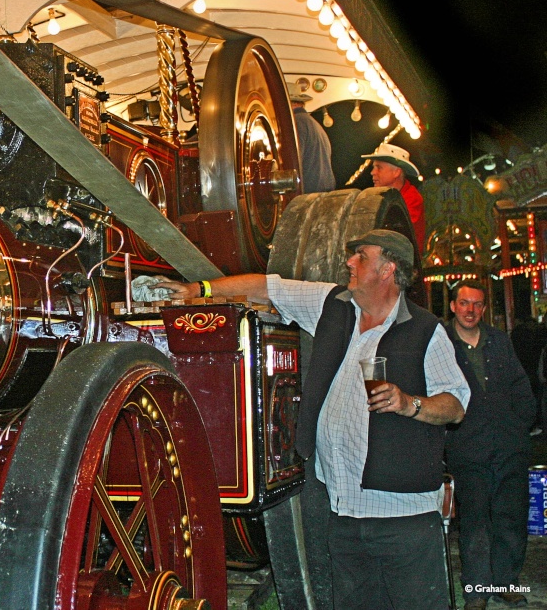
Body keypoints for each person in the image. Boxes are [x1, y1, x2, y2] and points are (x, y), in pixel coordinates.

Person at [151, 229, 469, 609]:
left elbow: (456, 405)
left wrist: (409, 403)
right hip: (343, 516)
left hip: (405, 521)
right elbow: (268, 288)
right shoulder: (334, 304)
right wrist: (198, 290)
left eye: (361, 256)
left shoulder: (426, 330)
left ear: (388, 268)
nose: (349, 262)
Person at [444, 280, 534, 610]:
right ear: (453, 306)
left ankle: (506, 582)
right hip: (467, 447)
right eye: (464, 303)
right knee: (475, 522)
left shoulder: (498, 340)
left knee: (511, 517)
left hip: (508, 446)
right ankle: (477, 591)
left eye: (477, 304)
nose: (470, 310)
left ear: (484, 308)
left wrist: (520, 424)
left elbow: (520, 385)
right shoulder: (442, 343)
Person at [364, 143, 426, 250]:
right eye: (373, 167)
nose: (372, 172)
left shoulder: (412, 198)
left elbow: (398, 237)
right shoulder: (378, 196)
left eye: (379, 168)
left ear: (396, 172)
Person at [289, 83, 335, 193]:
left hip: (307, 195)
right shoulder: (313, 123)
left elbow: (292, 164)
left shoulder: (296, 123)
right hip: (321, 193)